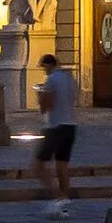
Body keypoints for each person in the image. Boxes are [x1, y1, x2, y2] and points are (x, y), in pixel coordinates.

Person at [35, 53, 79, 212]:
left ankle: (57, 196)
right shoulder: (70, 79)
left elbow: (45, 106)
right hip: (70, 126)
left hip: (56, 127)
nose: (44, 72)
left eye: (44, 68)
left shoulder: (52, 80)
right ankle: (65, 200)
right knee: (62, 166)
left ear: (48, 65)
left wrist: (40, 96)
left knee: (38, 165)